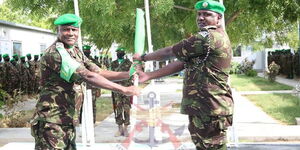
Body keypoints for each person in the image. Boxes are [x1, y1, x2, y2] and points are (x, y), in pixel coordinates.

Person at [30, 13, 140, 150]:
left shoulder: (75, 50)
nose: (70, 33)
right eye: (66, 29)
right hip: (51, 121)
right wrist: (124, 90)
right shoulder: (56, 53)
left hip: (66, 119)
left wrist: (128, 74)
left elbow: (98, 72)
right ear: (58, 31)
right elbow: (88, 76)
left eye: (74, 29)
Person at [133, 1, 233, 149]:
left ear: (218, 18)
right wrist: (149, 76)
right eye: (199, 14)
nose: (201, 17)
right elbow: (182, 62)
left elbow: (170, 52)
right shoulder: (208, 40)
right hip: (205, 107)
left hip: (211, 108)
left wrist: (143, 57)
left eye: (207, 14)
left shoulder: (207, 37)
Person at [110, 47, 133, 137]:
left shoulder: (129, 63)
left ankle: (126, 128)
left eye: (121, 52)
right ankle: (119, 128)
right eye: (118, 52)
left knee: (126, 108)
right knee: (117, 108)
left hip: (126, 88)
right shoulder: (113, 63)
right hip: (116, 89)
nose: (119, 53)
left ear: (124, 53)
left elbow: (132, 75)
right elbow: (110, 74)